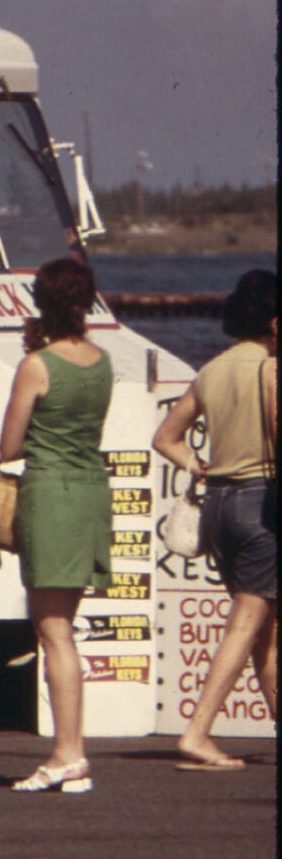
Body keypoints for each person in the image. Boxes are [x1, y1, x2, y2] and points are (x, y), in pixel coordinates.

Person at [152, 268, 277, 770]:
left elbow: (166, 437)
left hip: (219, 506)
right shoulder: (271, 368)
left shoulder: (212, 370)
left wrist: (196, 465)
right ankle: (198, 732)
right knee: (245, 626)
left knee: (264, 629)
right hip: (262, 502)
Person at [0, 257, 112, 794]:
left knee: (53, 631)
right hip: (91, 491)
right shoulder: (103, 361)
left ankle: (68, 753)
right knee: (63, 626)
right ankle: (70, 753)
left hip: (52, 494)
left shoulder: (38, 364)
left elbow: (10, 446)